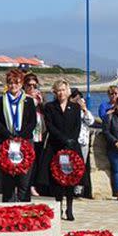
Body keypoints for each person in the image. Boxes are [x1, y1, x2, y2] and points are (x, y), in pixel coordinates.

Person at [38, 79, 82, 221]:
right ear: (55, 92)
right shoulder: (50, 107)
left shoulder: (75, 107)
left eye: (63, 90)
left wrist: (71, 141)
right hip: (56, 147)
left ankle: (69, 209)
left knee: (70, 178)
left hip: (71, 148)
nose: (61, 93)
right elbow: (50, 127)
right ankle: (58, 208)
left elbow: (77, 126)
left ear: (67, 91)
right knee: (57, 179)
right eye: (58, 90)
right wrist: (64, 140)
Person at [0, 69, 37, 202]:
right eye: (10, 83)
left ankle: (25, 211)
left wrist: (20, 136)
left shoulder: (29, 101)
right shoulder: (0, 101)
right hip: (6, 142)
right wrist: (8, 135)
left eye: (16, 83)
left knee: (24, 179)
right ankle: (8, 211)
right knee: (8, 179)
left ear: (21, 84)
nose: (13, 86)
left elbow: (32, 122)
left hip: (25, 142)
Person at [70, 88, 95, 198]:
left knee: (81, 165)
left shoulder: (83, 111)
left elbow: (91, 121)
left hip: (83, 141)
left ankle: (78, 189)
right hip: (73, 140)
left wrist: (84, 109)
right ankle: (70, 187)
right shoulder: (70, 109)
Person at [23, 73, 45, 197]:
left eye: (34, 85)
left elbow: (46, 112)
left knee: (37, 161)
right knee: (28, 161)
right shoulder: (23, 98)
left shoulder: (40, 97)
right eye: (29, 85)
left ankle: (33, 185)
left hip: (40, 133)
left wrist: (41, 103)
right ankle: (26, 185)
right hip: (28, 133)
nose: (32, 88)